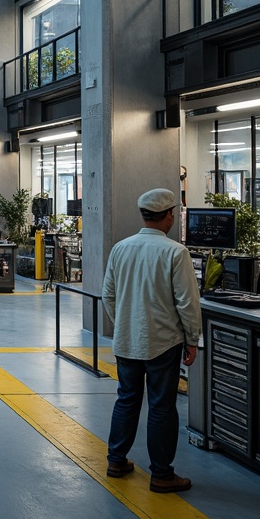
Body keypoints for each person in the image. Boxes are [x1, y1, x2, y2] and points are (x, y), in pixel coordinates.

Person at [102, 188, 201, 493]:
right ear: (170, 215)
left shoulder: (121, 248)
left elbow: (109, 294)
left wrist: (125, 325)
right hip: (163, 343)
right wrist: (192, 339)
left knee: (127, 398)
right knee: (161, 406)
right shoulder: (175, 252)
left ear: (144, 214)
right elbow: (186, 301)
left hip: (127, 342)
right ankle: (161, 474)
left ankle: (116, 461)